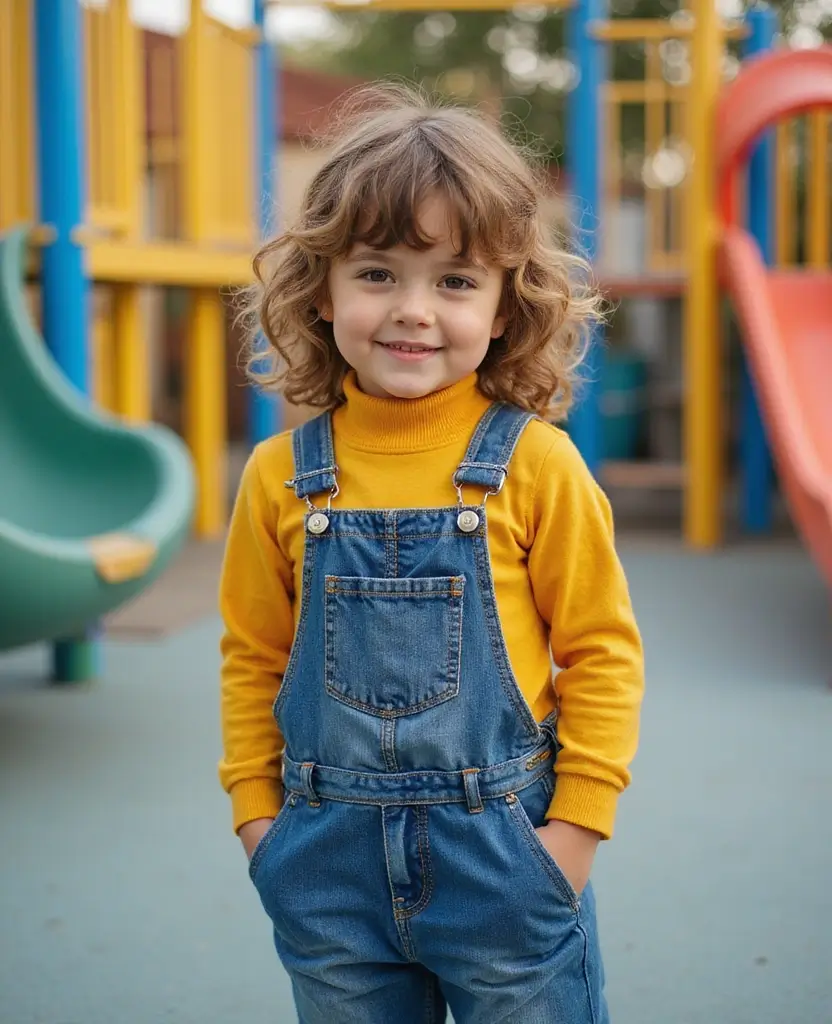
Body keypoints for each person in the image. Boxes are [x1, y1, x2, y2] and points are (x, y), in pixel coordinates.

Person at [219, 83, 644, 1024]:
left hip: (505, 857)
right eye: (377, 273)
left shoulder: (537, 464)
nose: (413, 309)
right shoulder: (278, 475)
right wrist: (257, 820)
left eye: (454, 281)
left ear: (504, 308)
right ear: (322, 290)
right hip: (324, 867)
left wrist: (574, 833)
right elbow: (252, 657)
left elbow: (602, 652)